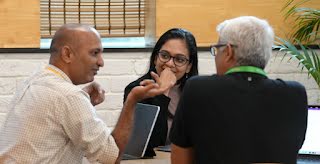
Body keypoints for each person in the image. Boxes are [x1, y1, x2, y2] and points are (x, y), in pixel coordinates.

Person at [0, 24, 168, 163]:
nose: (101, 62)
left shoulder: (34, 80)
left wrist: (82, 99)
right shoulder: (69, 96)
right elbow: (112, 157)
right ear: (67, 54)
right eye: (94, 53)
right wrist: (132, 100)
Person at [170, 16, 308, 164]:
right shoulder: (296, 94)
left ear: (228, 52)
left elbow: (180, 160)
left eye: (217, 50)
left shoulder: (197, 89)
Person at [123, 28, 199, 157]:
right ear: (155, 58)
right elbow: (148, 146)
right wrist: (163, 92)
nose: (169, 64)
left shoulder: (196, 92)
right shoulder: (137, 89)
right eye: (164, 56)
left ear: (189, 66)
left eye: (179, 59)